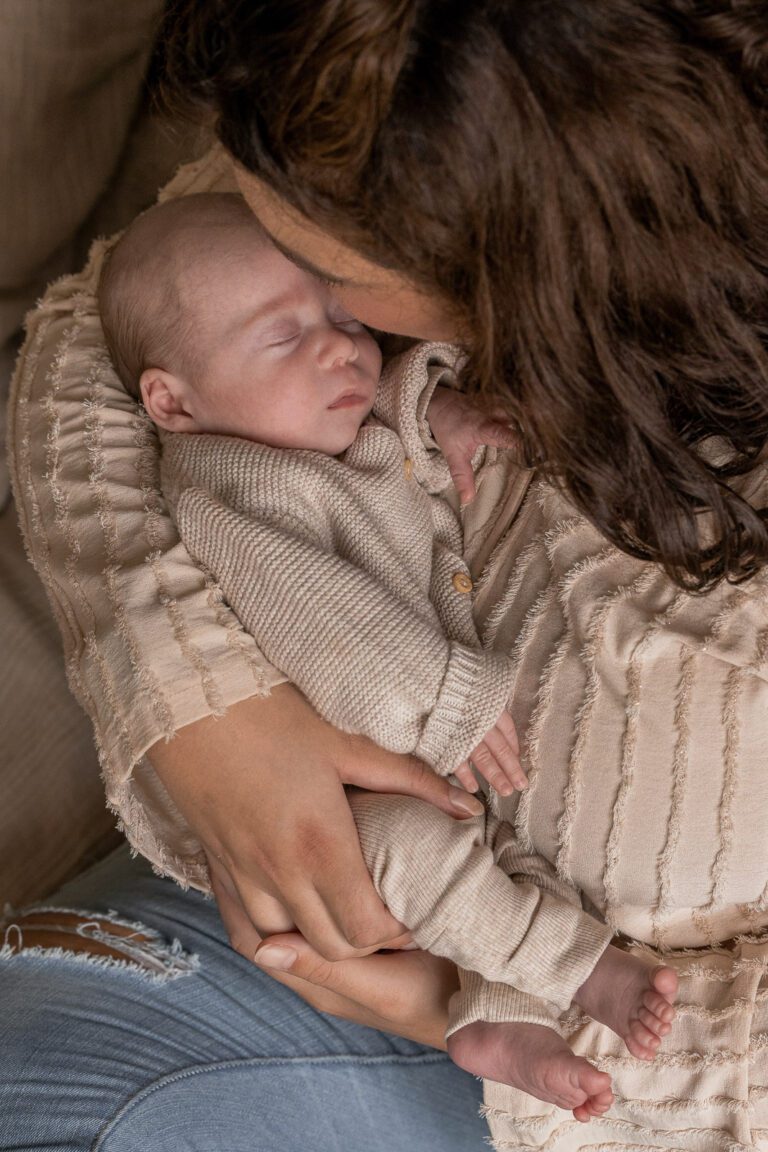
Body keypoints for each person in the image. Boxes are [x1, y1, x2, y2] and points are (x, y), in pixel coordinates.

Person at [4, 2, 768, 1148]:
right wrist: (202, 710)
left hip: (600, 1066)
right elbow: (106, 328)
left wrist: (440, 1008)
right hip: (334, 871)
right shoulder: (429, 88)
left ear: (518, 255)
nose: (321, 309)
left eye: (328, 275)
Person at [97, 189, 678, 1118]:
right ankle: (576, 974)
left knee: (487, 847)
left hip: (417, 756)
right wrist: (447, 700)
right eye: (284, 338)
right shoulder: (230, 485)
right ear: (171, 401)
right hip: (346, 797)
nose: (340, 346)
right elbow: (324, 623)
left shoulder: (303, 421)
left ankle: (494, 1018)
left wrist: (429, 411)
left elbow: (386, 433)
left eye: (339, 314)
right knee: (422, 854)